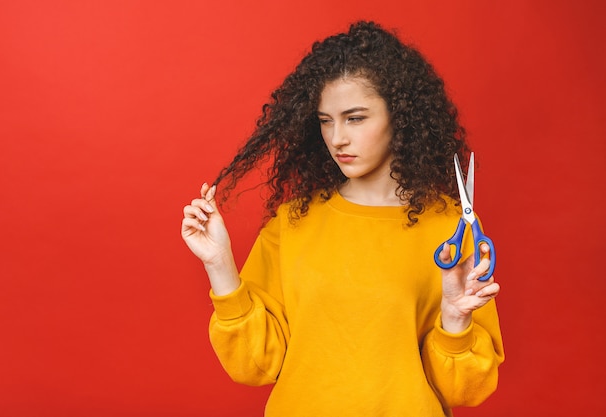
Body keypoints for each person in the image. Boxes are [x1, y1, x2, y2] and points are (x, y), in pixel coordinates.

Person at [181, 21, 504, 417]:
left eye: (355, 118)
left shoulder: (453, 229)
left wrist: (455, 321)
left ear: (399, 116)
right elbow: (255, 366)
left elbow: (462, 391)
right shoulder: (293, 223)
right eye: (325, 120)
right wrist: (220, 266)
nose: (337, 138)